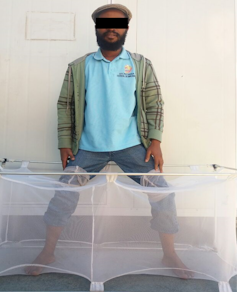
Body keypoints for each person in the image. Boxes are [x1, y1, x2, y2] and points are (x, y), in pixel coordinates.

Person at [25, 3, 193, 279]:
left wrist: (155, 141)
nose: (111, 28)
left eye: (118, 23)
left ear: (126, 28)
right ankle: (48, 250)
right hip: (89, 149)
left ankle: (170, 253)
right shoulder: (79, 66)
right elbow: (65, 105)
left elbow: (154, 103)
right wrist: (65, 144)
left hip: (132, 149)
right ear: (97, 29)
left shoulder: (140, 64)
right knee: (63, 194)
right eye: (105, 23)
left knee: (162, 193)